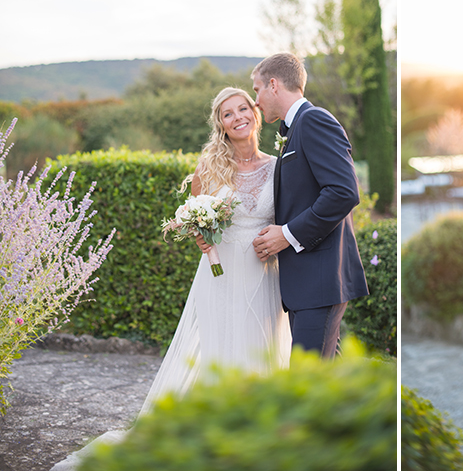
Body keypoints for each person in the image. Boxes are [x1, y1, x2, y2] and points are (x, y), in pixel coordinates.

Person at [53, 87, 292, 470]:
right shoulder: (211, 167)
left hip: (264, 272)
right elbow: (194, 218)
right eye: (227, 114)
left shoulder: (279, 167)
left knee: (260, 348)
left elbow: (287, 220)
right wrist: (200, 232)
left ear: (256, 113)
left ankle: (258, 435)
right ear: (221, 125)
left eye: (243, 108)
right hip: (219, 274)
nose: (237, 117)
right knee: (222, 349)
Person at [249, 53, 369, 359]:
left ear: (273, 85)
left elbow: (344, 192)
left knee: (307, 380)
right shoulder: (294, 129)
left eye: (257, 89)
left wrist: (287, 234)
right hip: (307, 283)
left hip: (320, 278)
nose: (256, 100)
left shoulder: (313, 120)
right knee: (326, 382)